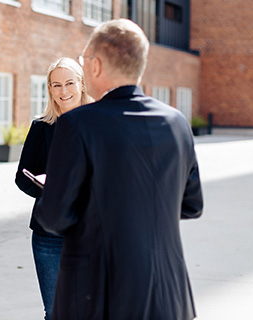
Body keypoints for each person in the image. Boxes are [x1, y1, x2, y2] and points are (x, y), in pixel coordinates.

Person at [34, 18, 204, 320]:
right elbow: (192, 205)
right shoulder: (177, 122)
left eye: (83, 59)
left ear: (96, 65)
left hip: (99, 296)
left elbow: (54, 217)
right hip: (169, 296)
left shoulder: (77, 124)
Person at [15, 57, 91, 320]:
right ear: (49, 89)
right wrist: (47, 189)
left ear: (81, 84)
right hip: (49, 235)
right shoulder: (41, 127)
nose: (63, 91)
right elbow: (21, 177)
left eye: (69, 83)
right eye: (56, 85)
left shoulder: (98, 125)